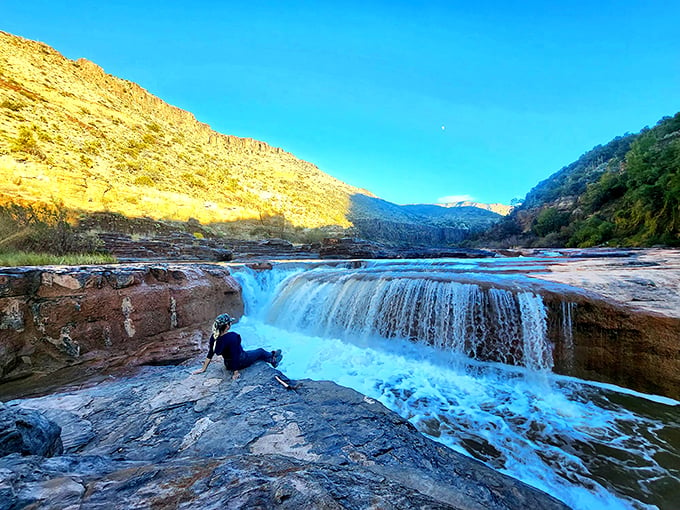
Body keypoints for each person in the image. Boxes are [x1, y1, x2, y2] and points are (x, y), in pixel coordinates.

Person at [192, 313, 283, 380]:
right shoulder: (233, 336)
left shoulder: (214, 337)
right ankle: (272, 359)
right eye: (230, 323)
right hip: (241, 361)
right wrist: (235, 373)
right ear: (227, 326)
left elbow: (210, 353)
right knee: (260, 351)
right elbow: (235, 355)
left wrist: (203, 369)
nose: (231, 324)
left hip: (227, 364)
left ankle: (271, 355)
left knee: (254, 352)